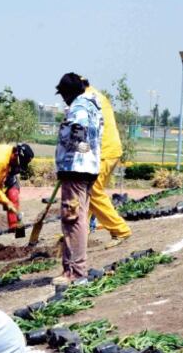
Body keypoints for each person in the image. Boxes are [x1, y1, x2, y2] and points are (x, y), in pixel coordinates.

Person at [53, 72, 103, 285]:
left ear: (68, 93)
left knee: (73, 220)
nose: (63, 98)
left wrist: (71, 148)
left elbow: (78, 137)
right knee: (78, 218)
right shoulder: (93, 106)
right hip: (87, 168)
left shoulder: (79, 108)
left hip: (75, 169)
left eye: (63, 94)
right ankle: (73, 269)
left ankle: (76, 272)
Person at [80, 77, 131, 249]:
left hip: (103, 152)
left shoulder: (86, 100)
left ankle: (120, 230)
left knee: (92, 190)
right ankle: (80, 232)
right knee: (88, 192)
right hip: (110, 150)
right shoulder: (97, 95)